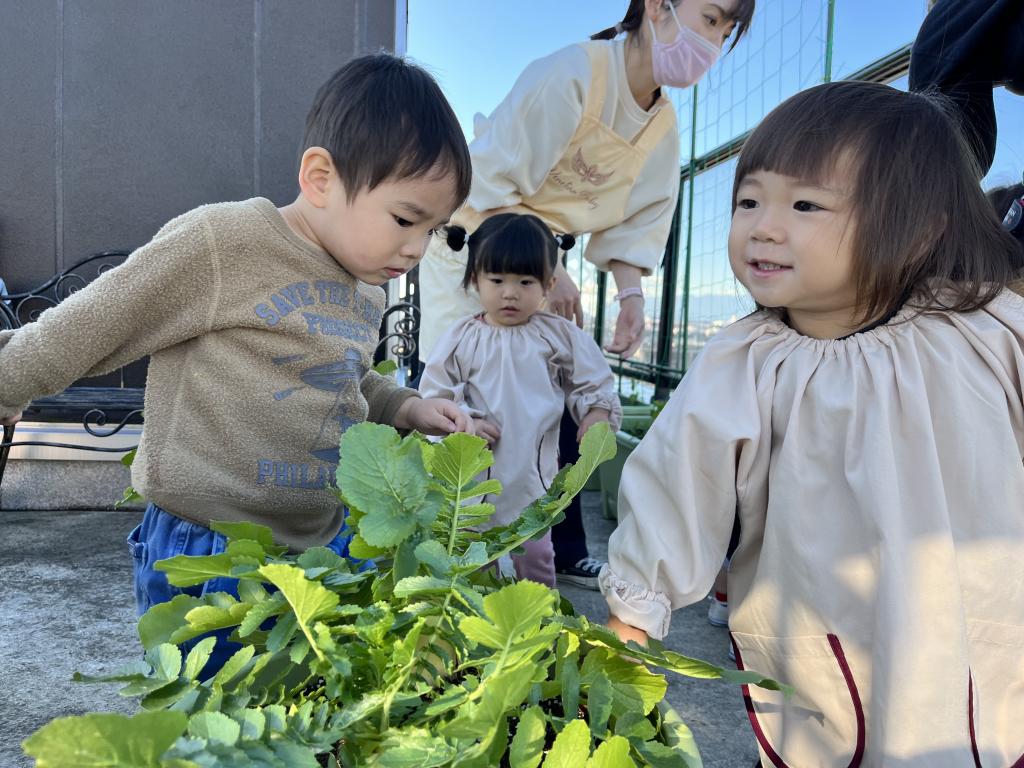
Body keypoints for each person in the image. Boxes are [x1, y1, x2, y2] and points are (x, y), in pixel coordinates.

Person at [0, 53, 473, 675]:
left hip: (317, 543)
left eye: (434, 231)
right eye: (405, 219)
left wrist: (405, 405)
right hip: (210, 549)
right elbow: (95, 320)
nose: (415, 249)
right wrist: (9, 381)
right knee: (213, 716)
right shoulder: (224, 243)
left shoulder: (366, 288)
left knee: (294, 718)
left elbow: (348, 373)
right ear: (321, 178)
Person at [601, 80, 1024, 765]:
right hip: (827, 641)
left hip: (979, 628)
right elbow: (677, 483)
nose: (763, 226)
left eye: (805, 204)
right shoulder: (746, 359)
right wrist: (632, 617)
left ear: (919, 228)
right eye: (748, 201)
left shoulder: (984, 328)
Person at [418, 0, 755, 589]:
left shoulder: (661, 124)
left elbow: (638, 224)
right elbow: (485, 180)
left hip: (544, 273)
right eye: (710, 16)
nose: (714, 39)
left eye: (726, 30)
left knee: (556, 403)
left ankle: (559, 549)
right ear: (658, 6)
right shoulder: (575, 73)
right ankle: (452, 549)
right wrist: (548, 265)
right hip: (482, 254)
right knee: (470, 405)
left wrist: (630, 298)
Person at [419, 213, 622, 586]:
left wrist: (594, 412)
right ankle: (474, 621)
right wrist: (464, 421)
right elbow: (436, 393)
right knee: (472, 554)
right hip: (476, 473)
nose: (509, 292)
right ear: (474, 279)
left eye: (525, 282)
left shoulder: (557, 336)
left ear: (549, 284)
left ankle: (537, 618)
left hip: (533, 472)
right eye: (496, 280)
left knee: (538, 554)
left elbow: (591, 377)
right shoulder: (461, 337)